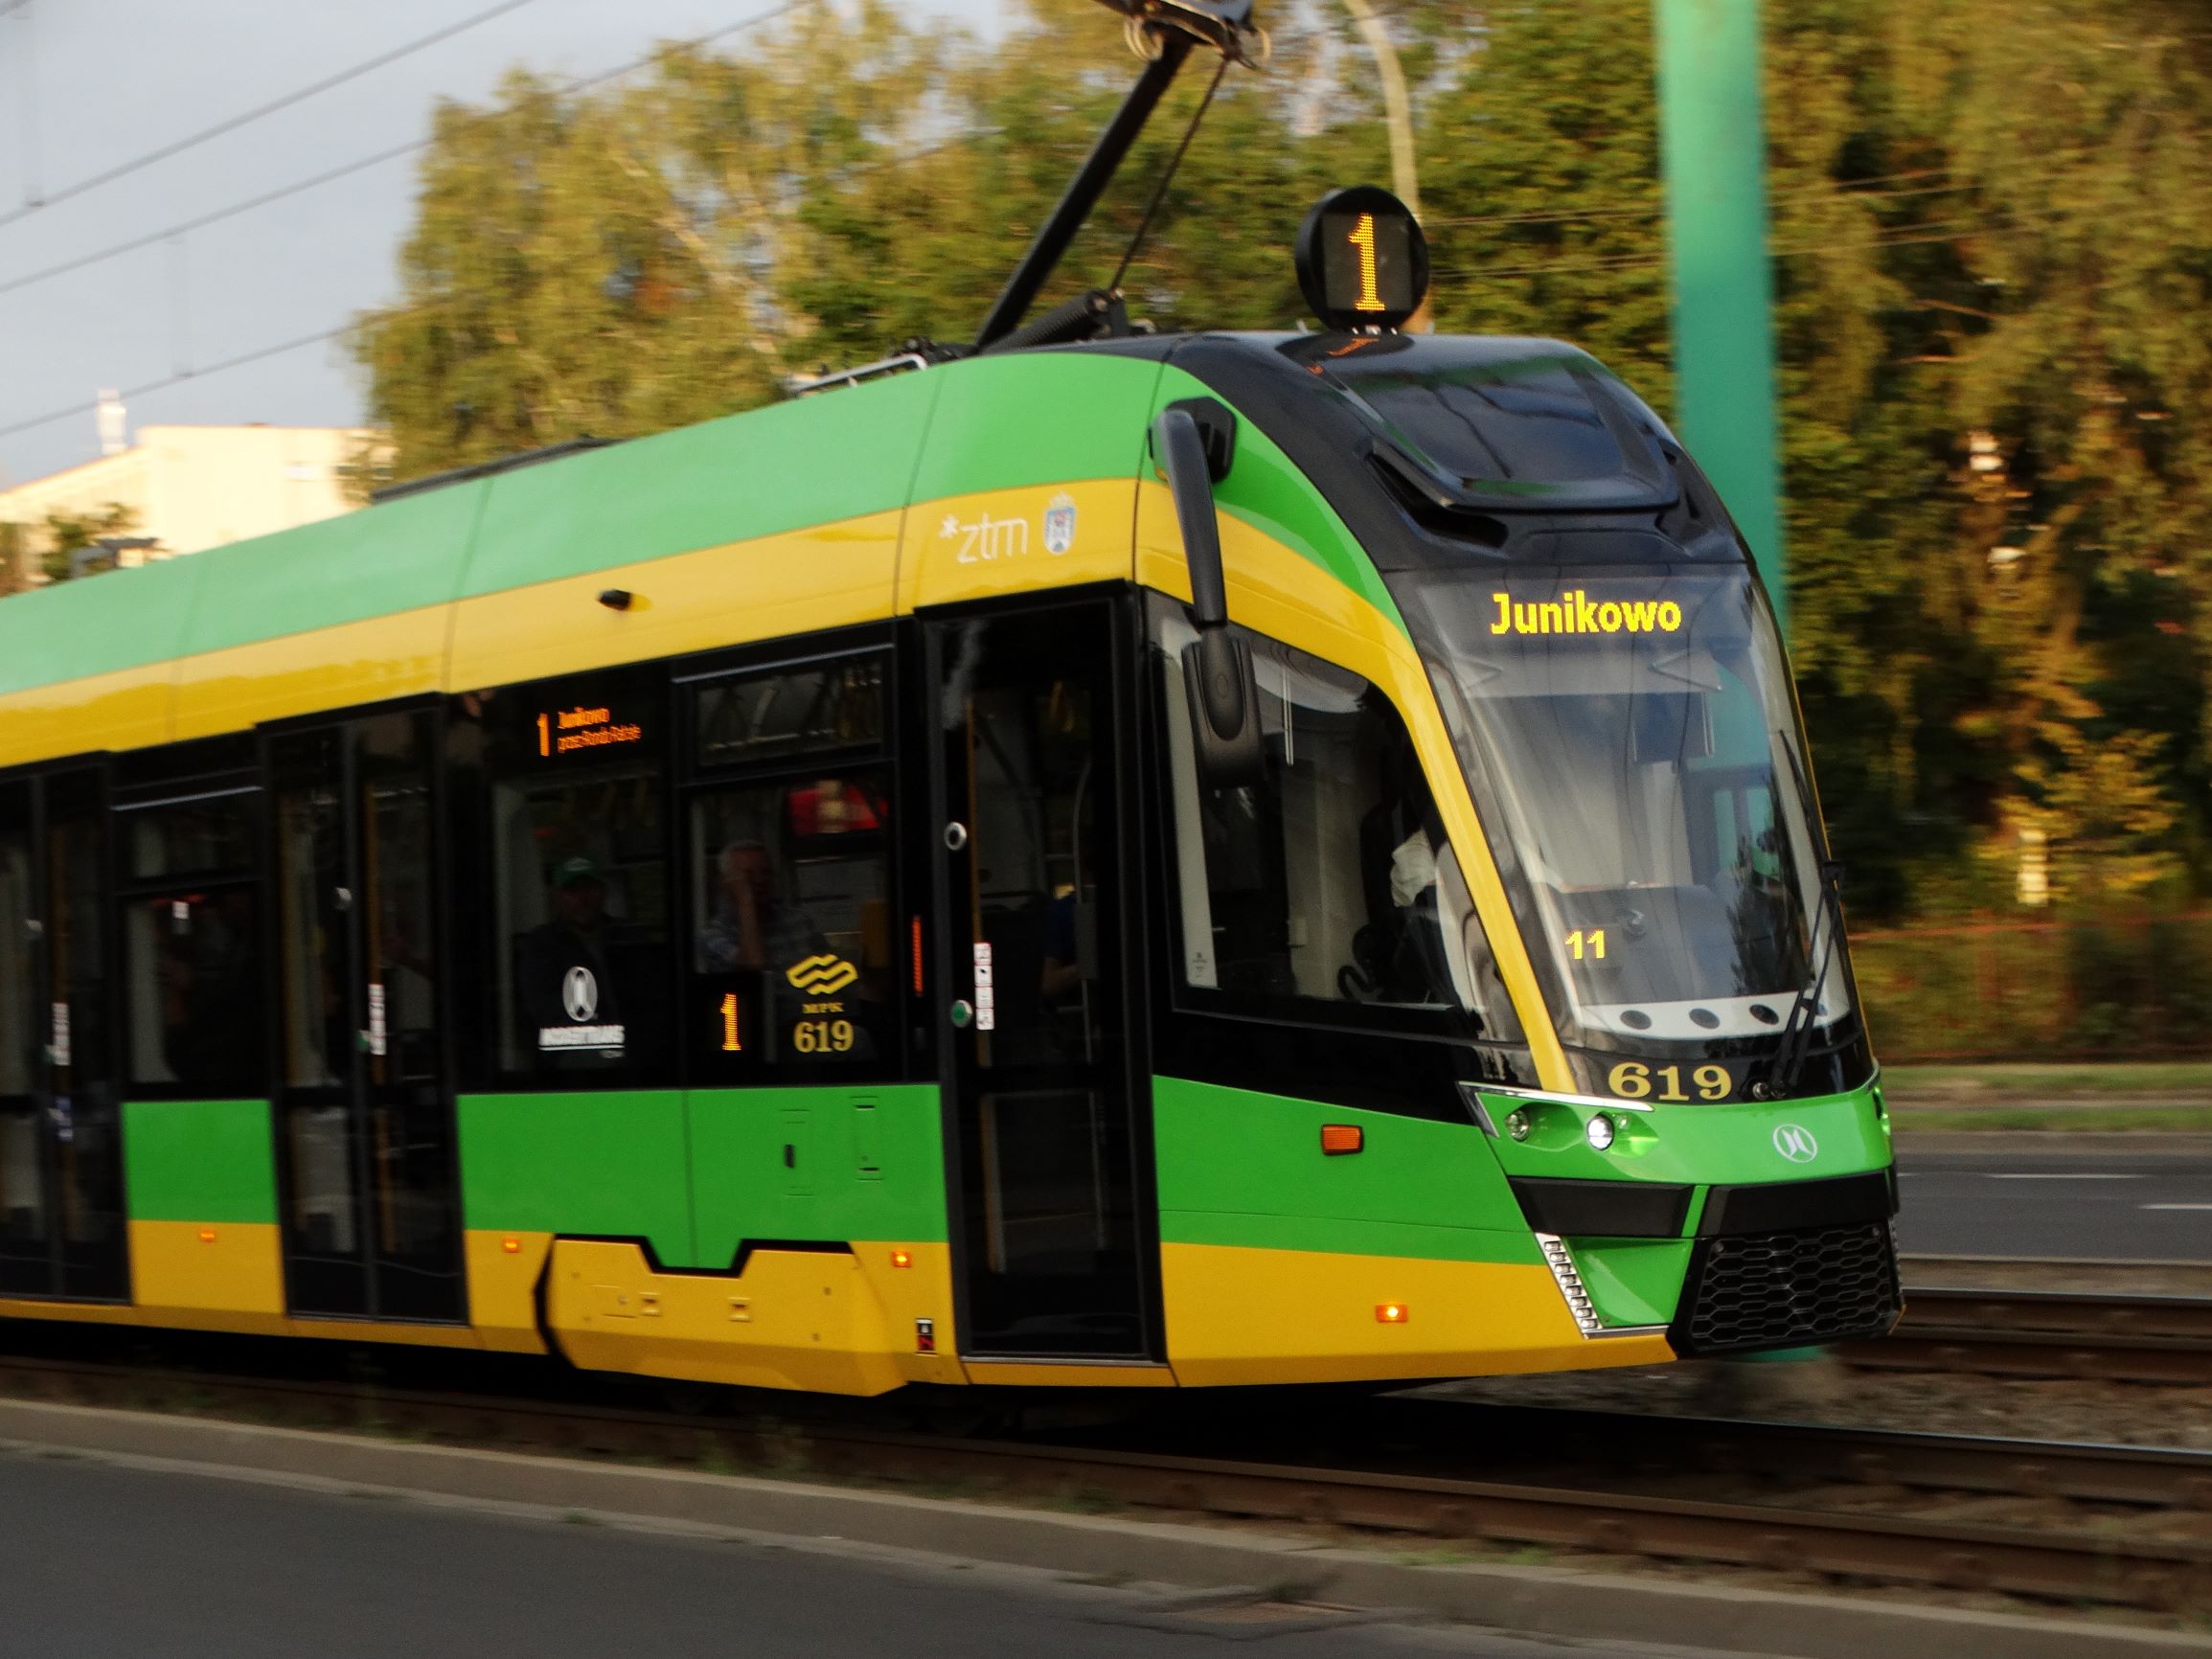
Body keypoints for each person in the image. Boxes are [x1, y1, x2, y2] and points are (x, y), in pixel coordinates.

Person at [516, 856, 625, 1055]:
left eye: (589, 888)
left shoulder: (627, 936)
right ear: (556, 896)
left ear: (604, 892)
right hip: (569, 1057)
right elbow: (545, 1010)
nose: (583, 899)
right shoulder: (541, 944)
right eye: (572, 891)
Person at [698, 841, 827, 977]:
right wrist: (746, 902)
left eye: (766, 873)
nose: (760, 881)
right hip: (751, 998)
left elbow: (828, 966)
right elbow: (754, 965)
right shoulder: (713, 933)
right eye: (748, 875)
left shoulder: (799, 920)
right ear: (725, 882)